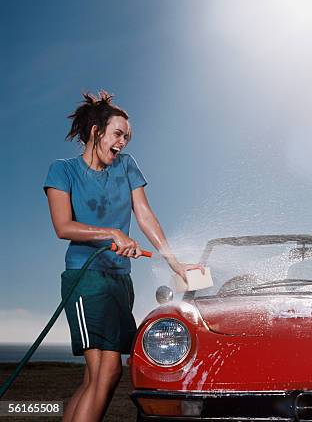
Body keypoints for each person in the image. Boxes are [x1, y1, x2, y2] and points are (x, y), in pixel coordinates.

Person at [43, 91, 204, 422]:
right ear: (96, 131)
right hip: (85, 279)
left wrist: (174, 261)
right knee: (107, 370)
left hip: (120, 280)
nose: (123, 142)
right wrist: (112, 233)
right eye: (118, 134)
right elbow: (63, 226)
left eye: (127, 137)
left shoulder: (127, 166)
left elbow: (144, 214)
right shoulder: (62, 171)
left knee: (97, 377)